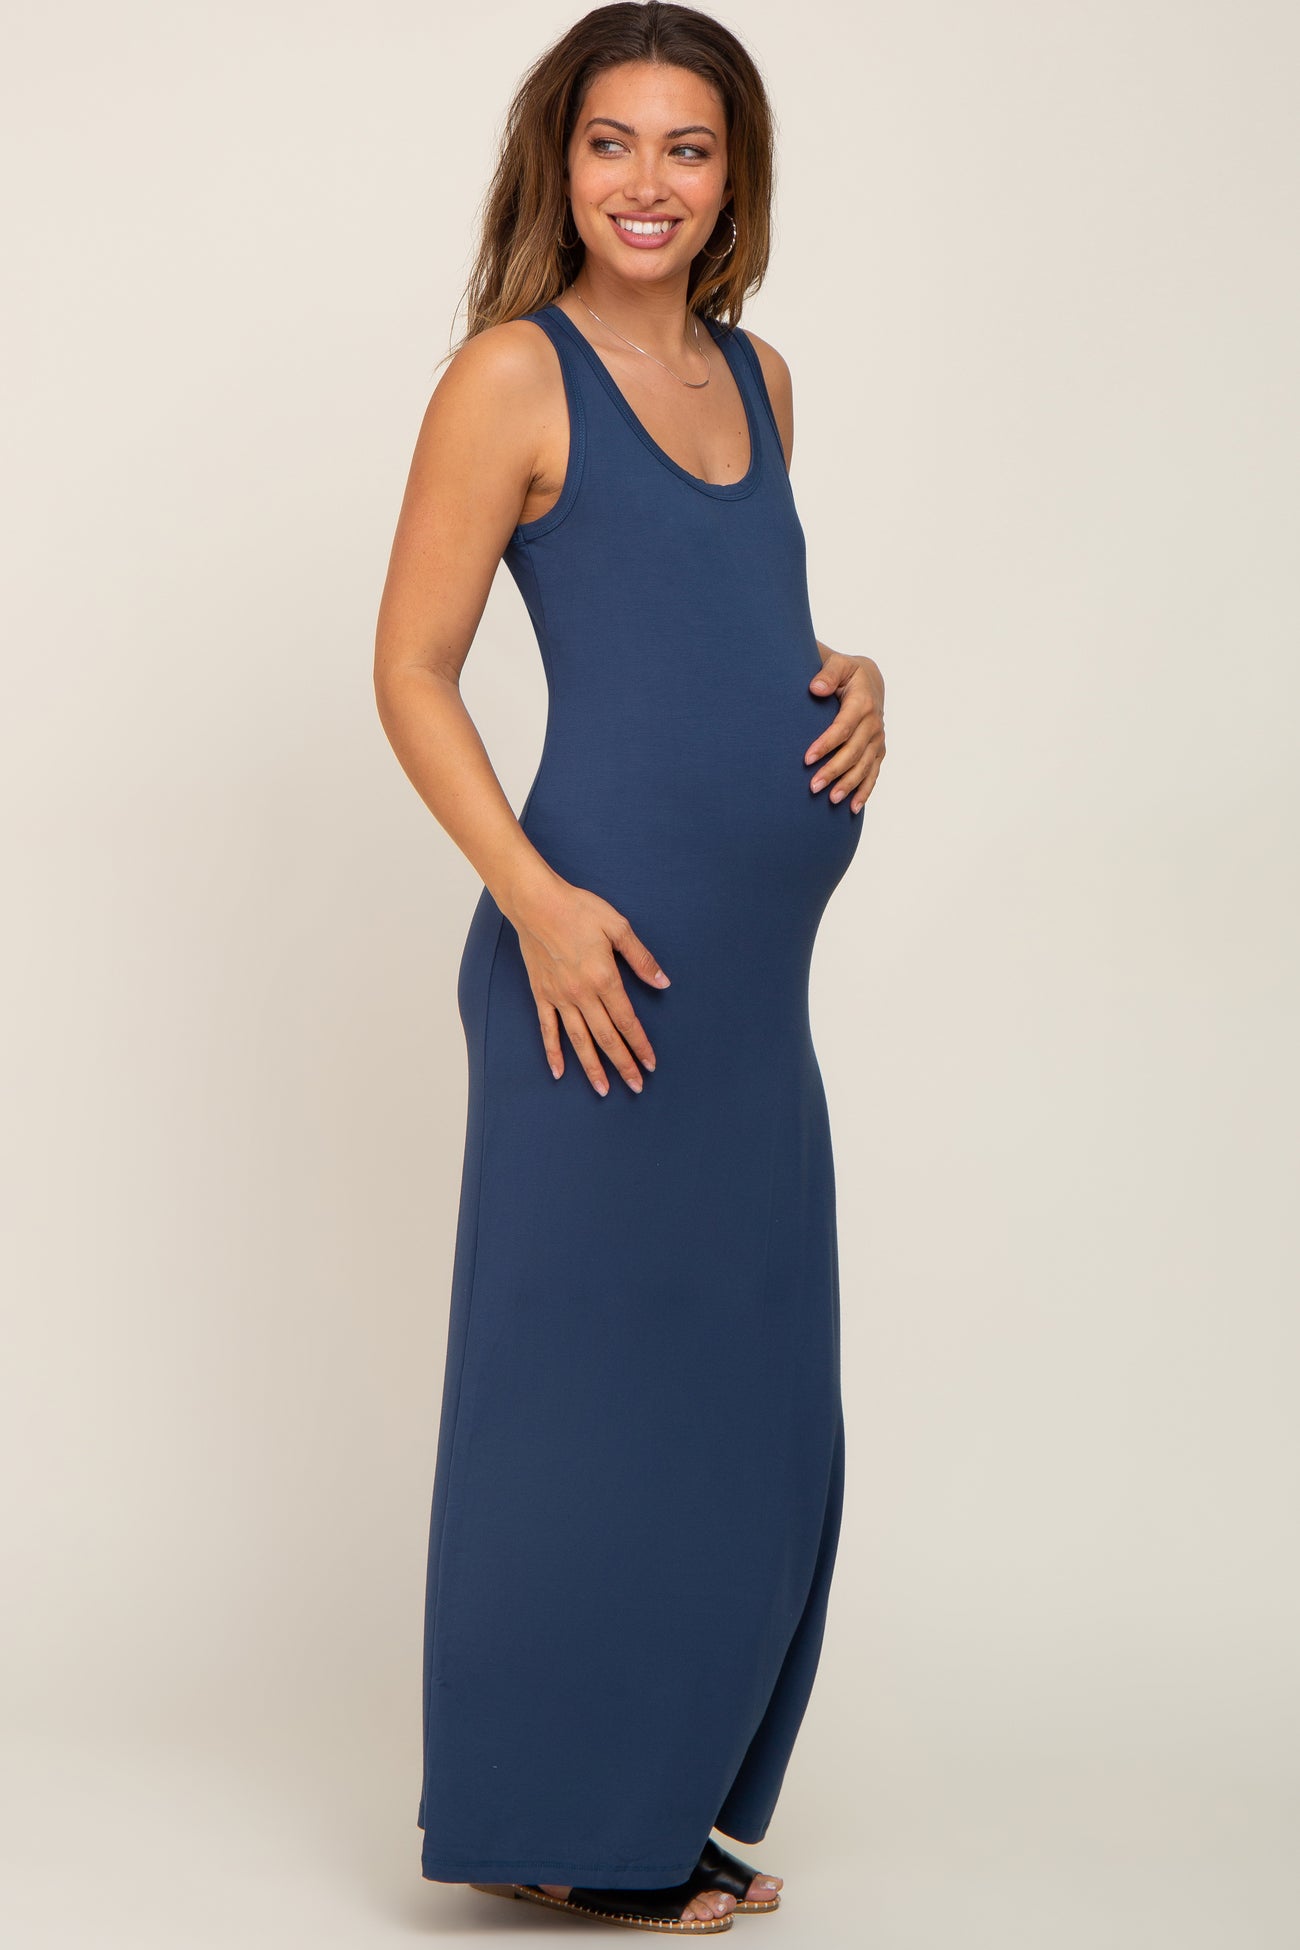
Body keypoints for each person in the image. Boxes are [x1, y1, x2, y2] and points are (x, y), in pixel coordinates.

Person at [374, 3, 886, 1934]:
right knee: (574, 1407)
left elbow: (731, 629)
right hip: (590, 979)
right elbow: (410, 669)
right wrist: (536, 899)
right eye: (612, 142)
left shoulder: (762, 378)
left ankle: (655, 1790)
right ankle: (564, 1824)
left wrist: (853, 675)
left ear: (734, 172)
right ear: (560, 162)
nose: (646, 182)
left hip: (749, 1000)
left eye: (687, 145)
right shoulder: (513, 376)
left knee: (747, 1395)